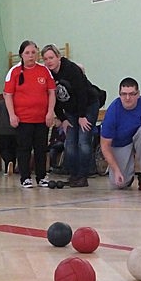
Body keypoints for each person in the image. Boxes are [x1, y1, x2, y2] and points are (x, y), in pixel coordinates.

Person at [41, 44, 100, 188]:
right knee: (70, 143)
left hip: (87, 106)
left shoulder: (71, 69)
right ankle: (73, 175)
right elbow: (52, 98)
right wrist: (63, 119)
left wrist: (82, 116)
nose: (49, 61)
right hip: (70, 111)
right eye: (45, 59)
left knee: (84, 141)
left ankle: (83, 176)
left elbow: (81, 93)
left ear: (58, 57)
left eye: (51, 57)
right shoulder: (48, 75)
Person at [4, 40, 56, 188]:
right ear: (21, 54)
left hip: (41, 118)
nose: (31, 56)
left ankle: (41, 177)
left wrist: (50, 112)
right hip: (23, 119)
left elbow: (51, 92)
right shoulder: (14, 72)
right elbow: (8, 95)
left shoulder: (44, 71)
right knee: (24, 149)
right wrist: (12, 115)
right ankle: (25, 177)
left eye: (33, 52)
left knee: (41, 149)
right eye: (27, 53)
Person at [0, 95, 17, 175]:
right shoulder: (16, 104)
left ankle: (8, 163)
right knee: (13, 151)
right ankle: (11, 169)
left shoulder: (0, 104)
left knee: (2, 150)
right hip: (15, 131)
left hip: (3, 131)